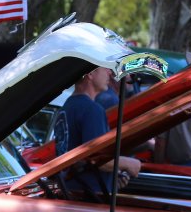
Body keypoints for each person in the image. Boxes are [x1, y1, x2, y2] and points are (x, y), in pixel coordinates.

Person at [54, 66, 141, 196]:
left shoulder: (66, 107)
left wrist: (113, 177)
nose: (110, 72)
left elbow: (81, 159)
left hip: (70, 192)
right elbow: (96, 159)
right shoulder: (92, 110)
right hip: (90, 197)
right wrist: (130, 163)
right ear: (89, 74)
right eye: (104, 67)